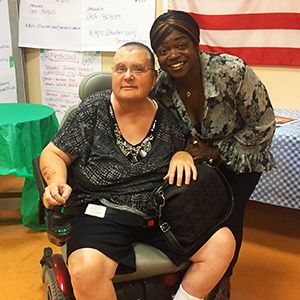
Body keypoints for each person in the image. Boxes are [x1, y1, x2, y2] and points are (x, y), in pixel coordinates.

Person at [40, 42, 235, 300]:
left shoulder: (168, 117)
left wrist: (183, 154)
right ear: (113, 75)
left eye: (138, 69)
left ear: (153, 78)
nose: (128, 75)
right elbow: (54, 153)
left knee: (222, 244)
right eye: (120, 68)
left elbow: (190, 145)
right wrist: (56, 181)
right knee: (86, 268)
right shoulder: (92, 111)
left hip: (161, 212)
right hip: (100, 212)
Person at [149, 11, 276, 300]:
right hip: (200, 159)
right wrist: (184, 151)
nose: (174, 55)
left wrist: (215, 151)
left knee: (227, 214)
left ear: (195, 42)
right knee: (194, 210)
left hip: (243, 155)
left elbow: (263, 124)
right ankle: (199, 265)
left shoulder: (231, 72)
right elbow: (166, 131)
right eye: (163, 50)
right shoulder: (163, 88)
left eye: (181, 44)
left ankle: (224, 276)